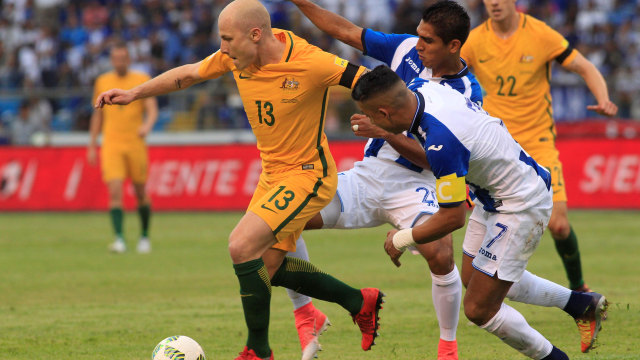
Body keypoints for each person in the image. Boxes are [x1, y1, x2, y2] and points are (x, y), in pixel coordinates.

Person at [94, 1, 383, 360]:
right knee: (268, 267)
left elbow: (372, 83)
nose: (223, 47)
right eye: (222, 39)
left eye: (228, 39)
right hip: (273, 175)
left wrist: (383, 123)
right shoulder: (235, 57)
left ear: (256, 34)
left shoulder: (311, 62)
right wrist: (135, 94)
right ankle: (358, 301)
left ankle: (257, 351)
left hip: (307, 176)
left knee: (240, 247)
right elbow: (188, 74)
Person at [353, 65, 608, 360]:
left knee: (479, 309)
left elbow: (452, 217)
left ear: (384, 114)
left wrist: (402, 238)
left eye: (373, 116)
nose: (372, 123)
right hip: (496, 193)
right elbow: (442, 160)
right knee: (475, 278)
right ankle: (582, 305)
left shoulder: (440, 139)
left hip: (519, 204)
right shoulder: (424, 88)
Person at [286, 1, 481, 359]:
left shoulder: (466, 94)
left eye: (428, 40)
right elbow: (344, 31)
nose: (418, 44)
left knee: (439, 254)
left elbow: (440, 160)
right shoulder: (405, 48)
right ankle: (307, 313)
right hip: (369, 175)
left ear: (453, 46)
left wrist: (385, 132)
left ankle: (448, 348)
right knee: (284, 220)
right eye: (419, 35)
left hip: (417, 185)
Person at [460, 0, 618, 300]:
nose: (494, 3)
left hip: (537, 142)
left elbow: (583, 65)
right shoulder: (475, 40)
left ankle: (579, 287)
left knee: (558, 225)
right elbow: (444, 74)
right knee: (489, 221)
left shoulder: (540, 34)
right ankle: (486, 294)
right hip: (496, 147)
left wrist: (603, 97)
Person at [88, 42, 158, 254]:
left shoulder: (140, 80)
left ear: (129, 59)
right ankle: (119, 239)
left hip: (135, 143)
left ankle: (144, 236)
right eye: (116, 59)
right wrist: (92, 144)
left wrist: (146, 126)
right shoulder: (103, 81)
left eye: (123, 58)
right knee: (115, 190)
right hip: (112, 143)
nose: (120, 62)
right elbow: (97, 115)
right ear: (112, 60)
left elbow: (152, 108)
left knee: (139, 191)